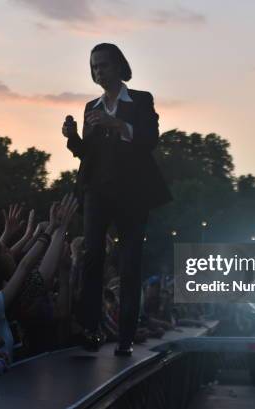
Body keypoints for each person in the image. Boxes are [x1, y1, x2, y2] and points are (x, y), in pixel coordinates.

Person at [62, 43, 172, 356]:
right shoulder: (90, 107)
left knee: (130, 262)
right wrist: (72, 138)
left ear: (119, 66)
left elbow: (150, 139)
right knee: (92, 256)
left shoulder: (140, 100)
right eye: (94, 66)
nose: (98, 71)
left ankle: (126, 334)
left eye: (104, 65)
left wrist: (119, 125)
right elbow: (86, 154)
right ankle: (90, 328)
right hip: (97, 189)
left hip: (133, 192)